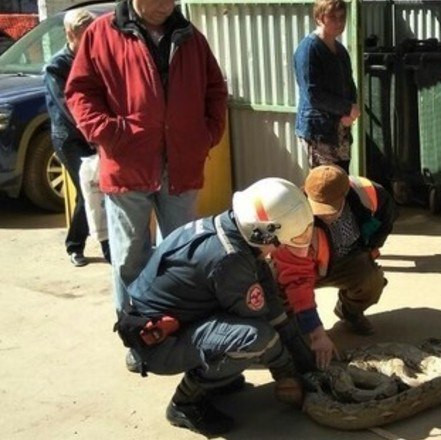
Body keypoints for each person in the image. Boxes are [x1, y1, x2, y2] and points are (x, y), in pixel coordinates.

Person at [116, 178, 317, 436]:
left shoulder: (232, 230)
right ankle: (185, 403)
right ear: (265, 232)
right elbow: (265, 328)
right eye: (282, 240)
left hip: (176, 322)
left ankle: (219, 380)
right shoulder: (231, 258)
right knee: (257, 338)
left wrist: (305, 361)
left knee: (258, 330)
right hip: (159, 343)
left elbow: (273, 306)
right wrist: (290, 374)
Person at [65, 0, 228, 312]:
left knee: (183, 253)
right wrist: (109, 133)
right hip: (127, 164)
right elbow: (80, 92)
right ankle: (136, 330)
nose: (166, 5)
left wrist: (206, 135)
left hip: (182, 165)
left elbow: (215, 90)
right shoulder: (102, 33)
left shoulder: (190, 36)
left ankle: (177, 324)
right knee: (130, 257)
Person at [273, 165, 396, 364]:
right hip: (304, 266)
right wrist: (316, 332)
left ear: (345, 193)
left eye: (329, 209)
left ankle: (349, 312)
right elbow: (296, 279)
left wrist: (371, 248)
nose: (323, 215)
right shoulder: (292, 213)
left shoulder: (371, 194)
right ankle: (289, 326)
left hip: (344, 260)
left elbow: (386, 219)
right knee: (278, 287)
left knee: (371, 279)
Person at [43, 9, 110, 267]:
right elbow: (69, 108)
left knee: (107, 188)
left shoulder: (97, 57)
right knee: (89, 190)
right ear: (70, 34)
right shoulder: (56, 66)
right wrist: (95, 133)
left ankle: (108, 243)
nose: (93, 40)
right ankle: (76, 245)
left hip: (96, 134)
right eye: (86, 36)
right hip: (71, 138)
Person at [293, 0, 360, 172]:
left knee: (342, 181)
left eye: (342, 17)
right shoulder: (309, 49)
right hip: (319, 130)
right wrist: (345, 108)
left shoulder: (340, 50)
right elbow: (313, 94)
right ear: (319, 18)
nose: (339, 22)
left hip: (340, 128)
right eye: (333, 17)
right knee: (325, 184)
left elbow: (349, 84)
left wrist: (350, 111)